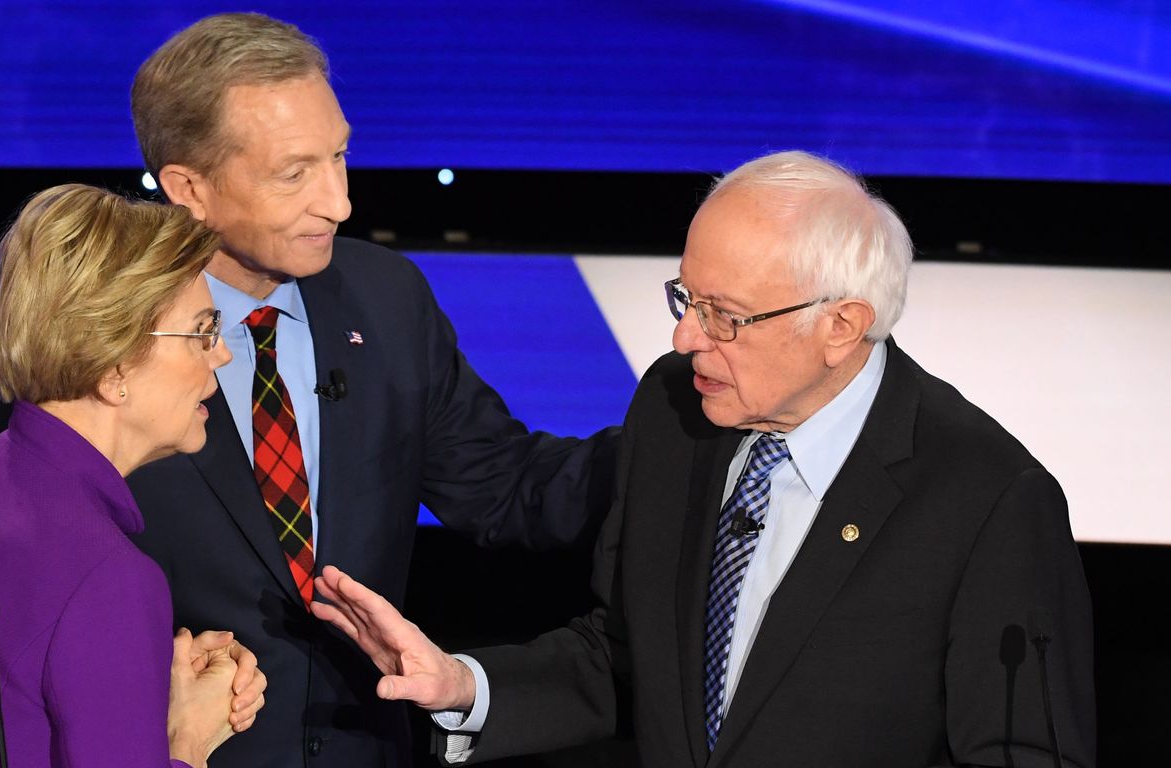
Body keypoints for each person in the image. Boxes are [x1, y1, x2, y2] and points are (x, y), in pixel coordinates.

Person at [0, 12, 618, 768]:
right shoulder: (75, 359)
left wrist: (689, 450)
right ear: (188, 187)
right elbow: (8, 634)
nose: (338, 202)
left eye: (340, 157)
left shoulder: (387, 299)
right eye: (295, 172)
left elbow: (505, 486)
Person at [311, 151, 1098, 767]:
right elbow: (627, 656)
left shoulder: (987, 499)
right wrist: (465, 686)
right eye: (686, 300)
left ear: (841, 326)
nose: (687, 339)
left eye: (725, 316)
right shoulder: (676, 410)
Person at [0, 185, 266, 767]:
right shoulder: (113, 578)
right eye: (202, 331)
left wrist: (124, 685)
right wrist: (187, 737)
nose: (221, 356)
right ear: (115, 369)